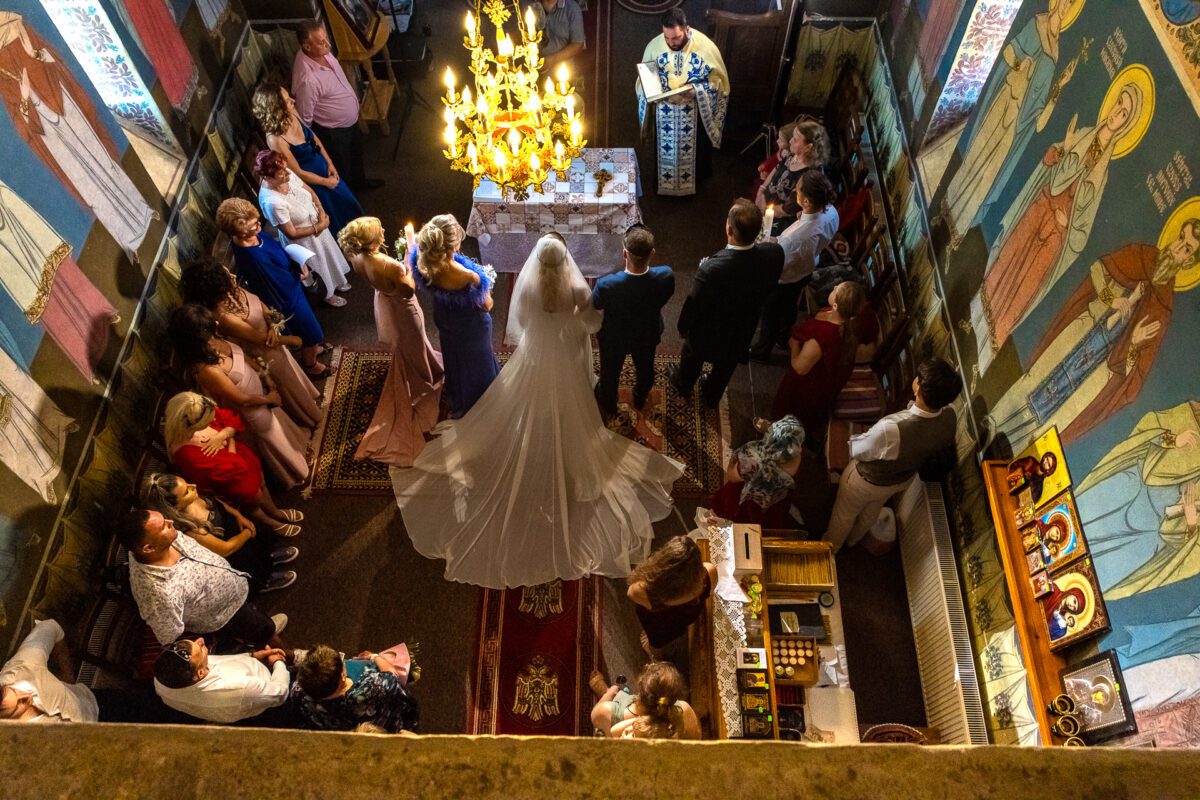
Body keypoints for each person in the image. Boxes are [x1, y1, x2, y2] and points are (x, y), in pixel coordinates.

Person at [394, 236, 685, 588]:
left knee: (531, 394)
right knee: (571, 396)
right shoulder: (576, 288)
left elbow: (520, 322)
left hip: (537, 353)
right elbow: (591, 324)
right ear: (565, 261)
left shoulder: (528, 286)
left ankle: (537, 425)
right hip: (566, 352)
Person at [984, 220, 1200, 448]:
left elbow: (1135, 375)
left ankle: (1007, 452)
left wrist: (1134, 344)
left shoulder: (1163, 306)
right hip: (1085, 327)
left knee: (1059, 414)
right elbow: (1098, 268)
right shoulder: (1140, 254)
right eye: (1181, 237)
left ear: (1188, 262)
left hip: (1102, 368)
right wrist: (1111, 299)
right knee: (1036, 377)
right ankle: (993, 422)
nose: (1177, 247)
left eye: (1187, 249)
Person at [824, 358, 963, 552]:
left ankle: (831, 547)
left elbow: (858, 450)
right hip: (901, 480)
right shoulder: (951, 418)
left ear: (918, 389)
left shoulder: (893, 428)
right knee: (871, 511)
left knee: (844, 514)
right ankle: (853, 540)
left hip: (866, 479)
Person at [338, 217, 444, 466]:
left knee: (406, 344)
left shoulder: (356, 257)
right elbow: (409, 290)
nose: (383, 231)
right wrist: (409, 261)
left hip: (384, 298)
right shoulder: (389, 265)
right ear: (373, 240)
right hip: (402, 306)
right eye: (379, 231)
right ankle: (422, 375)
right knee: (413, 340)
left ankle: (421, 364)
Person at [170, 304, 311, 489]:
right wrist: (270, 399)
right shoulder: (206, 371)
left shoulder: (214, 340)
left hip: (261, 394)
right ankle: (295, 471)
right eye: (208, 329)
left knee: (281, 429)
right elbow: (241, 400)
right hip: (252, 410)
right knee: (275, 440)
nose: (217, 325)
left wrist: (265, 376)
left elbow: (243, 356)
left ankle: (299, 450)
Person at [181, 258, 325, 429]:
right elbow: (261, 339)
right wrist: (294, 340)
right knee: (288, 386)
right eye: (226, 275)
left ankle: (308, 404)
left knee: (293, 378)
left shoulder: (234, 291)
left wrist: (273, 325)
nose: (233, 276)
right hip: (265, 354)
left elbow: (263, 306)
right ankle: (311, 417)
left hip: (275, 344)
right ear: (215, 287)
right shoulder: (224, 318)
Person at [116, 508, 287, 649]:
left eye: (165, 519)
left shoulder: (159, 542)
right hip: (225, 614)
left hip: (235, 588)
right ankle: (288, 654)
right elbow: (168, 634)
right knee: (264, 630)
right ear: (148, 548)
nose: (171, 522)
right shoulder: (160, 595)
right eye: (163, 527)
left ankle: (259, 629)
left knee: (256, 621)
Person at [671, 199, 784, 408]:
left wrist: (682, 327)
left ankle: (683, 384)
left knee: (692, 357)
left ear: (729, 229)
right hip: (743, 327)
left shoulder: (711, 269)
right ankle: (711, 395)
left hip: (709, 330)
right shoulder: (774, 253)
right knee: (726, 365)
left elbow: (694, 303)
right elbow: (770, 286)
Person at [163, 392, 303, 537]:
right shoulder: (186, 454)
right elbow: (230, 469)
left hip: (242, 461)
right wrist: (231, 440)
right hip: (234, 480)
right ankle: (272, 524)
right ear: (193, 425)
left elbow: (231, 419)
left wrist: (224, 435)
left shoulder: (200, 408)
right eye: (207, 422)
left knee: (262, 486)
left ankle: (275, 512)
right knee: (253, 504)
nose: (212, 420)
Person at [142, 472, 296, 594]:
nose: (193, 486)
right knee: (251, 566)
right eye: (187, 491)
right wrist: (248, 532)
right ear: (174, 507)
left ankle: (269, 558)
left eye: (188, 483)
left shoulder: (194, 498)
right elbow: (225, 549)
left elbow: (218, 503)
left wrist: (238, 515)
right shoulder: (189, 529)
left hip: (237, 532)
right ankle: (266, 582)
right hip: (234, 553)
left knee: (259, 549)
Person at [409, 214, 498, 419]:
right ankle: (482, 400)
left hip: (445, 318)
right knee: (478, 361)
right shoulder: (468, 276)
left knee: (454, 355)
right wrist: (486, 282)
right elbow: (487, 305)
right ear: (452, 245)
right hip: (471, 326)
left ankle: (458, 393)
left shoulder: (423, 262)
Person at [636, 9, 729, 196]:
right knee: (666, 154)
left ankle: (695, 191)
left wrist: (697, 91)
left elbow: (720, 84)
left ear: (687, 29)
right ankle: (664, 189)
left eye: (676, 38)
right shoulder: (654, 46)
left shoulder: (706, 47)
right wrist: (652, 93)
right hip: (665, 113)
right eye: (667, 38)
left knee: (696, 157)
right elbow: (643, 81)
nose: (671, 43)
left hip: (694, 114)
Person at [216, 197, 326, 357]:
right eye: (254, 226)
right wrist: (299, 276)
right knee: (309, 333)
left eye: (257, 221)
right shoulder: (254, 259)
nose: (259, 226)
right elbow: (278, 284)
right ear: (241, 233)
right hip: (288, 299)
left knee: (310, 330)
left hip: (293, 288)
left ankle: (314, 348)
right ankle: (311, 363)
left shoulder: (252, 235)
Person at [252, 81, 364, 237]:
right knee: (338, 220)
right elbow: (298, 172)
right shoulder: (275, 140)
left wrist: (330, 163)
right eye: (287, 101)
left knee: (351, 206)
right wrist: (326, 182)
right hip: (315, 182)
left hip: (325, 169)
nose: (293, 101)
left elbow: (313, 138)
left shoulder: (291, 113)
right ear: (276, 109)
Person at [750, 170, 840, 362]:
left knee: (771, 314)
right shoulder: (831, 211)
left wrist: (772, 243)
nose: (794, 192)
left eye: (797, 190)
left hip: (786, 277)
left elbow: (781, 261)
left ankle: (761, 351)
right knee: (789, 306)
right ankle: (784, 337)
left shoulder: (796, 238)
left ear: (806, 202)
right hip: (806, 269)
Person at [591, 224, 675, 417]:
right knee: (645, 370)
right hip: (646, 334)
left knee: (610, 373)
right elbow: (667, 295)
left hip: (614, 337)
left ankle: (609, 403)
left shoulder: (606, 285)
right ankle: (640, 396)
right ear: (652, 253)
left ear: (624, 254)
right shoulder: (665, 276)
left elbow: (595, 304)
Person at [767, 280, 867, 437]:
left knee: (788, 412)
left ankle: (781, 433)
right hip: (827, 373)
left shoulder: (825, 335)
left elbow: (800, 368)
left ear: (836, 306)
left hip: (810, 384)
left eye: (836, 290)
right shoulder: (847, 320)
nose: (834, 287)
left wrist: (794, 345)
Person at [255, 149, 352, 308]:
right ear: (267, 177)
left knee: (328, 254)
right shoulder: (272, 202)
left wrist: (321, 211)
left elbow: (310, 191)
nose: (288, 173)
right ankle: (327, 294)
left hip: (317, 222)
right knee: (318, 265)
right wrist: (318, 227)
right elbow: (291, 233)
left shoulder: (286, 173)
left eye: (285, 168)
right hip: (304, 240)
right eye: (281, 174)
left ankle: (338, 279)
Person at [290, 21, 381, 192]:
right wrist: (311, 143)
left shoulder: (320, 52)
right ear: (307, 46)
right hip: (335, 132)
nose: (328, 45)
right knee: (343, 167)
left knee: (356, 155)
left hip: (349, 122)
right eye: (321, 42)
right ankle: (352, 201)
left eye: (326, 39)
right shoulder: (308, 80)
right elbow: (305, 115)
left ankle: (361, 183)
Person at [152, 636, 292, 724]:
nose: (201, 640)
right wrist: (278, 663)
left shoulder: (161, 681)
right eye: (200, 648)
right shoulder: (239, 687)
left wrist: (252, 655)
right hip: (267, 687)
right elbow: (280, 693)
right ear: (200, 673)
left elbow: (218, 661)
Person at [292, 645, 418, 733]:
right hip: (379, 728)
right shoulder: (372, 688)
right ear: (342, 676)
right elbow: (392, 674)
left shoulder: (298, 693)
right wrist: (374, 657)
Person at [627, 535, 717, 656]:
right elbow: (709, 588)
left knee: (657, 641)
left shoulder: (647, 592)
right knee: (674, 631)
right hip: (685, 619)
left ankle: (655, 652)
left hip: (659, 625)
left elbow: (631, 593)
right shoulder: (709, 574)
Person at [710, 416, 804, 528]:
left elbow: (731, 476)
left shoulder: (753, 460)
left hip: (744, 504)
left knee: (731, 510)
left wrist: (733, 462)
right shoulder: (795, 457)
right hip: (774, 505)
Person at [0, 619, 98, 723]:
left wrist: (68, 677)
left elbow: (50, 626)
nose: (25, 695)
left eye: (2, 691)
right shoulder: (16, 733)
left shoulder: (24, 667)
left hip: (90, 701)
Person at [589, 661, 701, 739]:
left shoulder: (603, 713)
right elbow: (696, 740)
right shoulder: (685, 710)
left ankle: (607, 692)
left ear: (640, 685)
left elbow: (597, 719)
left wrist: (609, 693)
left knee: (609, 698)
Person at [757, 120, 832, 234]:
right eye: (792, 136)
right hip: (766, 204)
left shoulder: (810, 176)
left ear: (808, 147)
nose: (790, 141)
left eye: (795, 139)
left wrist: (764, 209)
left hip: (779, 220)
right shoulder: (793, 154)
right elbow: (777, 168)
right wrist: (761, 189)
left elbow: (788, 209)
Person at [533, 0, 585, 74]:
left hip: (561, 71)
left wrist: (552, 60)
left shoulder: (572, 8)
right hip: (533, 70)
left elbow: (578, 44)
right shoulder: (531, 6)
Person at [752, 121, 796, 197]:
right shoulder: (783, 150)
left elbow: (780, 173)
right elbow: (773, 159)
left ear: (790, 142)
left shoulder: (790, 158)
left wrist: (767, 177)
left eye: (781, 140)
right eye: (779, 138)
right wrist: (765, 165)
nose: (777, 141)